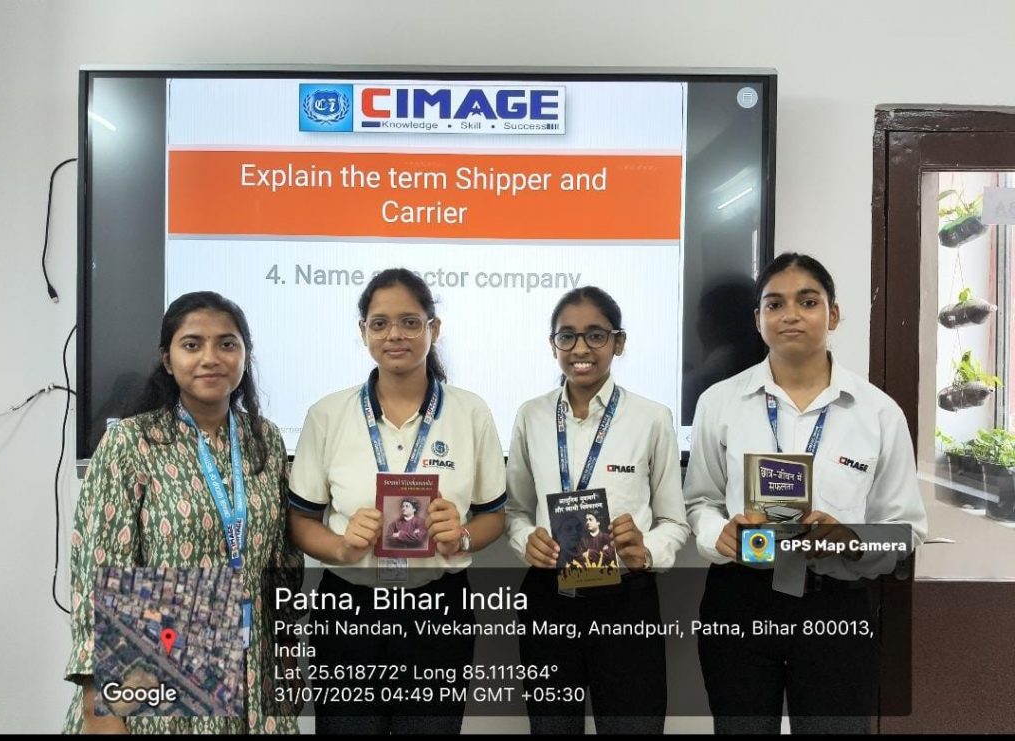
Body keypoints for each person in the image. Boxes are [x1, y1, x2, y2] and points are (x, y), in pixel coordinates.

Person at [683, 253, 928, 734]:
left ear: (833, 314)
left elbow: (907, 531)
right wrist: (720, 533)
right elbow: (701, 501)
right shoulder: (719, 402)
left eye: (808, 301)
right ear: (757, 319)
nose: (790, 314)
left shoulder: (878, 413)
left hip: (833, 604)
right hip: (741, 600)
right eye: (774, 304)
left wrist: (851, 539)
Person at [63, 291, 303, 734]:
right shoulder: (131, 442)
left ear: (245, 355)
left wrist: (287, 658)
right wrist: (102, 707)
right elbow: (98, 574)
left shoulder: (265, 440)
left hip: (253, 672)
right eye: (192, 345)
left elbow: (281, 559)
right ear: (168, 360)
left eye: (227, 344)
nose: (211, 358)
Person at [287, 268, 507, 735]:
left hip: (438, 608)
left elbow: (493, 516)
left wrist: (461, 535)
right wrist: (341, 546)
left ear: (434, 329)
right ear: (363, 331)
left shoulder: (470, 412)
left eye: (410, 322)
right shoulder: (328, 414)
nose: (395, 335)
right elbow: (301, 519)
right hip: (349, 608)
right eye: (380, 323)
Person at [505, 286, 691, 734]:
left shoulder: (652, 417)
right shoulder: (531, 415)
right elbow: (515, 510)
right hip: (549, 600)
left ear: (618, 342)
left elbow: (674, 521)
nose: (580, 349)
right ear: (553, 344)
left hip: (626, 601)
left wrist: (646, 551)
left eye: (595, 335)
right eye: (566, 336)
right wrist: (525, 540)